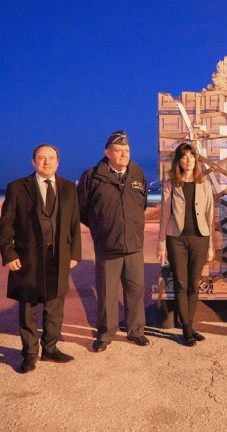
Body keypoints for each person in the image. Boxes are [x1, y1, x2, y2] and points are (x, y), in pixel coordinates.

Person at [0, 144, 81, 373]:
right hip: (27, 257)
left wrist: (75, 253)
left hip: (59, 255)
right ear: (33, 162)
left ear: (58, 161)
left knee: (55, 305)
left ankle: (51, 349)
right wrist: (8, 253)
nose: (47, 162)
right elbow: (6, 224)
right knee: (28, 306)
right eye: (41, 158)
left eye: (51, 158)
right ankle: (30, 353)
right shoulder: (17, 187)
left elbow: (74, 223)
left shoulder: (67, 188)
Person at [78, 130, 150, 352]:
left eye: (126, 151)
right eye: (118, 151)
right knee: (107, 292)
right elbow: (82, 210)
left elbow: (142, 205)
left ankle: (136, 330)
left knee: (135, 290)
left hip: (134, 245)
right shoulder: (92, 176)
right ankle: (106, 333)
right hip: (107, 246)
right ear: (107, 152)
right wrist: (102, 228)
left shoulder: (138, 175)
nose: (123, 154)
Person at [156, 143, 214, 346]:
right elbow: (164, 215)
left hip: (200, 239)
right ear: (178, 161)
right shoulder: (170, 184)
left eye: (191, 156)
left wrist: (210, 246)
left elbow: (209, 216)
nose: (188, 159)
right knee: (181, 284)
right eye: (184, 156)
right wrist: (161, 243)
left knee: (193, 285)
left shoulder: (204, 184)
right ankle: (187, 330)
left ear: (195, 160)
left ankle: (188, 324)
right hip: (176, 239)